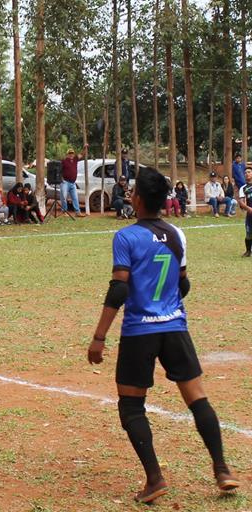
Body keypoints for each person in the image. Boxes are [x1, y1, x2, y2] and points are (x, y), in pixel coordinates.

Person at [88, 167, 240, 504]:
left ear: (137, 199)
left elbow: (119, 289)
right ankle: (222, 469)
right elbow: (183, 284)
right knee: (198, 398)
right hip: (175, 328)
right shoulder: (177, 234)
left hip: (140, 332)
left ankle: (155, 479)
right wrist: (166, 300)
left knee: (131, 406)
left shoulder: (126, 237)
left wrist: (99, 337)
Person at [60, 147, 87, 217]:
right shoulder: (64, 161)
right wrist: (61, 178)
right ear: (67, 154)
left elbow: (82, 154)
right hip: (65, 182)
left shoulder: (75, 159)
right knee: (63, 196)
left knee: (75, 198)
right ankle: (64, 212)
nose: (71, 155)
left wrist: (85, 148)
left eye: (72, 153)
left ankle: (77, 212)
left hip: (72, 182)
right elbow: (59, 170)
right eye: (70, 153)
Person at [239, 167, 252, 257]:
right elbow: (241, 202)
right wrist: (249, 209)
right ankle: (248, 251)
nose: (247, 174)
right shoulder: (243, 188)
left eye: (249, 172)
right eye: (245, 172)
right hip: (250, 214)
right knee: (248, 234)